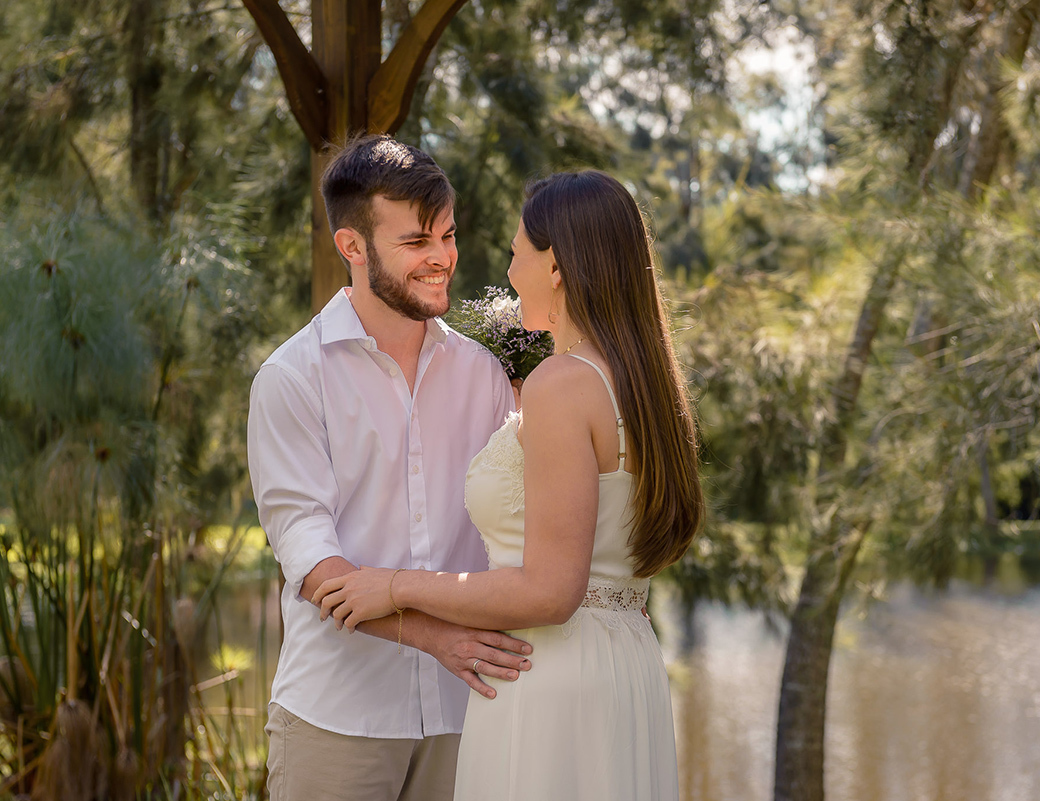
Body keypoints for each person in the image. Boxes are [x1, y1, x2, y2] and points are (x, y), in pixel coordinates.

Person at [314, 169, 706, 800]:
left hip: (549, 675)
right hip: (626, 664)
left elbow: (551, 591)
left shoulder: (564, 382)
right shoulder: (644, 383)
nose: (509, 267)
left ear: (556, 266)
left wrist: (392, 585)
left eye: (517, 252)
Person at [246, 135, 534, 801]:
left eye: (448, 235)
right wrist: (435, 637)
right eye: (416, 243)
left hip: (470, 714)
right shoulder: (293, 379)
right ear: (352, 246)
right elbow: (317, 567)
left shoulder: (485, 375)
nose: (442, 259)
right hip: (337, 719)